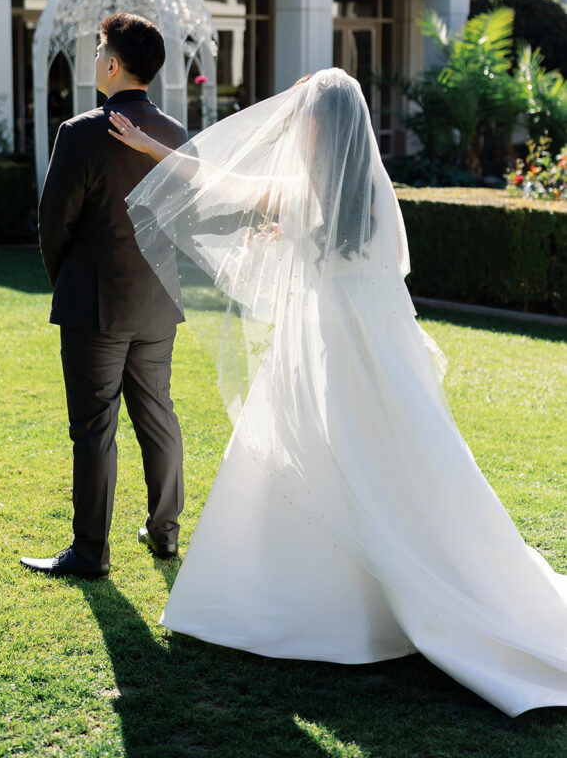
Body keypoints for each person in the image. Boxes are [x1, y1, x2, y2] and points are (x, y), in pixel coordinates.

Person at [107, 68, 567, 717]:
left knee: (341, 466)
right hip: (359, 354)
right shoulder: (365, 197)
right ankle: (319, 602)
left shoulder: (309, 192)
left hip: (327, 355)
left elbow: (225, 185)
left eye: (304, 118)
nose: (293, 127)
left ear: (325, 127)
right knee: (363, 466)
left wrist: (154, 151)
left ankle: (313, 609)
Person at [21, 12, 187, 580]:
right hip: (158, 300)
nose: (94, 59)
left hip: (95, 303)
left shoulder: (80, 132)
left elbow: (53, 224)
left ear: (113, 64)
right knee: (158, 417)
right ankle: (164, 533)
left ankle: (91, 553)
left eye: (97, 50)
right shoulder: (173, 133)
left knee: (94, 428)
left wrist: (64, 276)